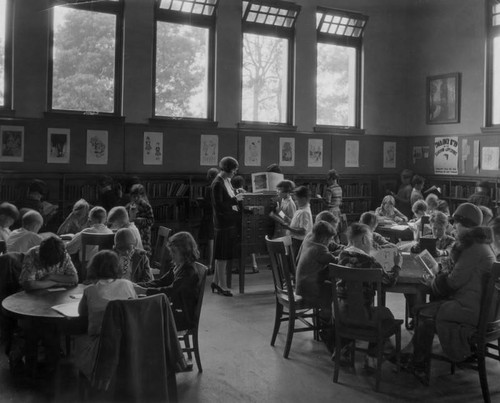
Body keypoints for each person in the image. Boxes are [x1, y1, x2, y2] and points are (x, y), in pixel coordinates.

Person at [407, 203, 495, 378]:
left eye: (456, 224)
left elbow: (453, 283)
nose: (453, 227)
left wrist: (434, 281)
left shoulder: (473, 248)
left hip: (472, 310)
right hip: (485, 308)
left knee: (423, 314)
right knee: (427, 308)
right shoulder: (481, 245)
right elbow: (461, 276)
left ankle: (417, 363)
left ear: (465, 225)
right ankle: (414, 357)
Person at [337, 223, 402, 369]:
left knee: (371, 311)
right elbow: (389, 282)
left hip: (340, 312)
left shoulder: (341, 256)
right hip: (363, 316)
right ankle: (372, 356)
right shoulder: (371, 262)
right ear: (365, 240)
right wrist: (397, 265)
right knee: (386, 314)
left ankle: (344, 349)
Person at [75, 250, 137, 381]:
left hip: (101, 344)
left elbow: (81, 313)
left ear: (93, 268)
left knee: (78, 339)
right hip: (129, 340)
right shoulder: (128, 285)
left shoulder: (90, 291)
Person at [134, 231, 201, 331]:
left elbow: (170, 290)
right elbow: (161, 282)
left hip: (182, 317)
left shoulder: (189, 271)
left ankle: (154, 345)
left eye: (174, 252)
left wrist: (144, 291)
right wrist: (138, 285)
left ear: (184, 251)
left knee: (144, 317)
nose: (171, 255)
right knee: (141, 313)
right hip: (174, 309)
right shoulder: (178, 266)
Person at [210, 156, 244, 297]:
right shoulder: (217, 183)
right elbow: (219, 206)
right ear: (228, 169)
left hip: (228, 222)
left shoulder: (226, 181)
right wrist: (236, 199)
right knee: (222, 256)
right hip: (223, 223)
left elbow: (228, 198)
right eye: (234, 169)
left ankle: (216, 281)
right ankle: (222, 286)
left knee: (222, 254)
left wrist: (236, 194)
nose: (235, 172)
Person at [296, 221, 337, 316]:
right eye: (330, 239)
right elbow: (334, 261)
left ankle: (324, 321)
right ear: (323, 238)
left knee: (329, 285)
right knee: (334, 289)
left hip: (301, 286)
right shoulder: (319, 249)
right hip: (310, 291)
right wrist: (343, 253)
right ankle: (327, 320)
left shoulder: (309, 241)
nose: (330, 242)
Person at [198, 167, 218, 274]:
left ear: (210, 177)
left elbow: (208, 205)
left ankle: (209, 265)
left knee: (210, 240)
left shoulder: (210, 188)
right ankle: (213, 265)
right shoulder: (220, 186)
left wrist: (201, 202)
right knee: (214, 240)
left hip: (209, 217)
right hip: (218, 217)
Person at [126, 184, 154, 256]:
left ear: (142, 196)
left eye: (137, 196)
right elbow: (125, 220)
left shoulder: (146, 206)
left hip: (143, 236)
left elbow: (151, 221)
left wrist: (138, 220)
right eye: (133, 197)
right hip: (131, 234)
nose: (135, 199)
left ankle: (144, 264)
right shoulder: (128, 206)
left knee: (142, 253)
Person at [286, 186, 313, 258]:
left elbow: (303, 231)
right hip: (295, 240)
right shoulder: (301, 210)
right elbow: (296, 223)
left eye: (297, 200)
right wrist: (287, 220)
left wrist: (288, 228)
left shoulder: (304, 212)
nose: (295, 202)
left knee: (294, 261)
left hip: (298, 242)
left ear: (304, 199)